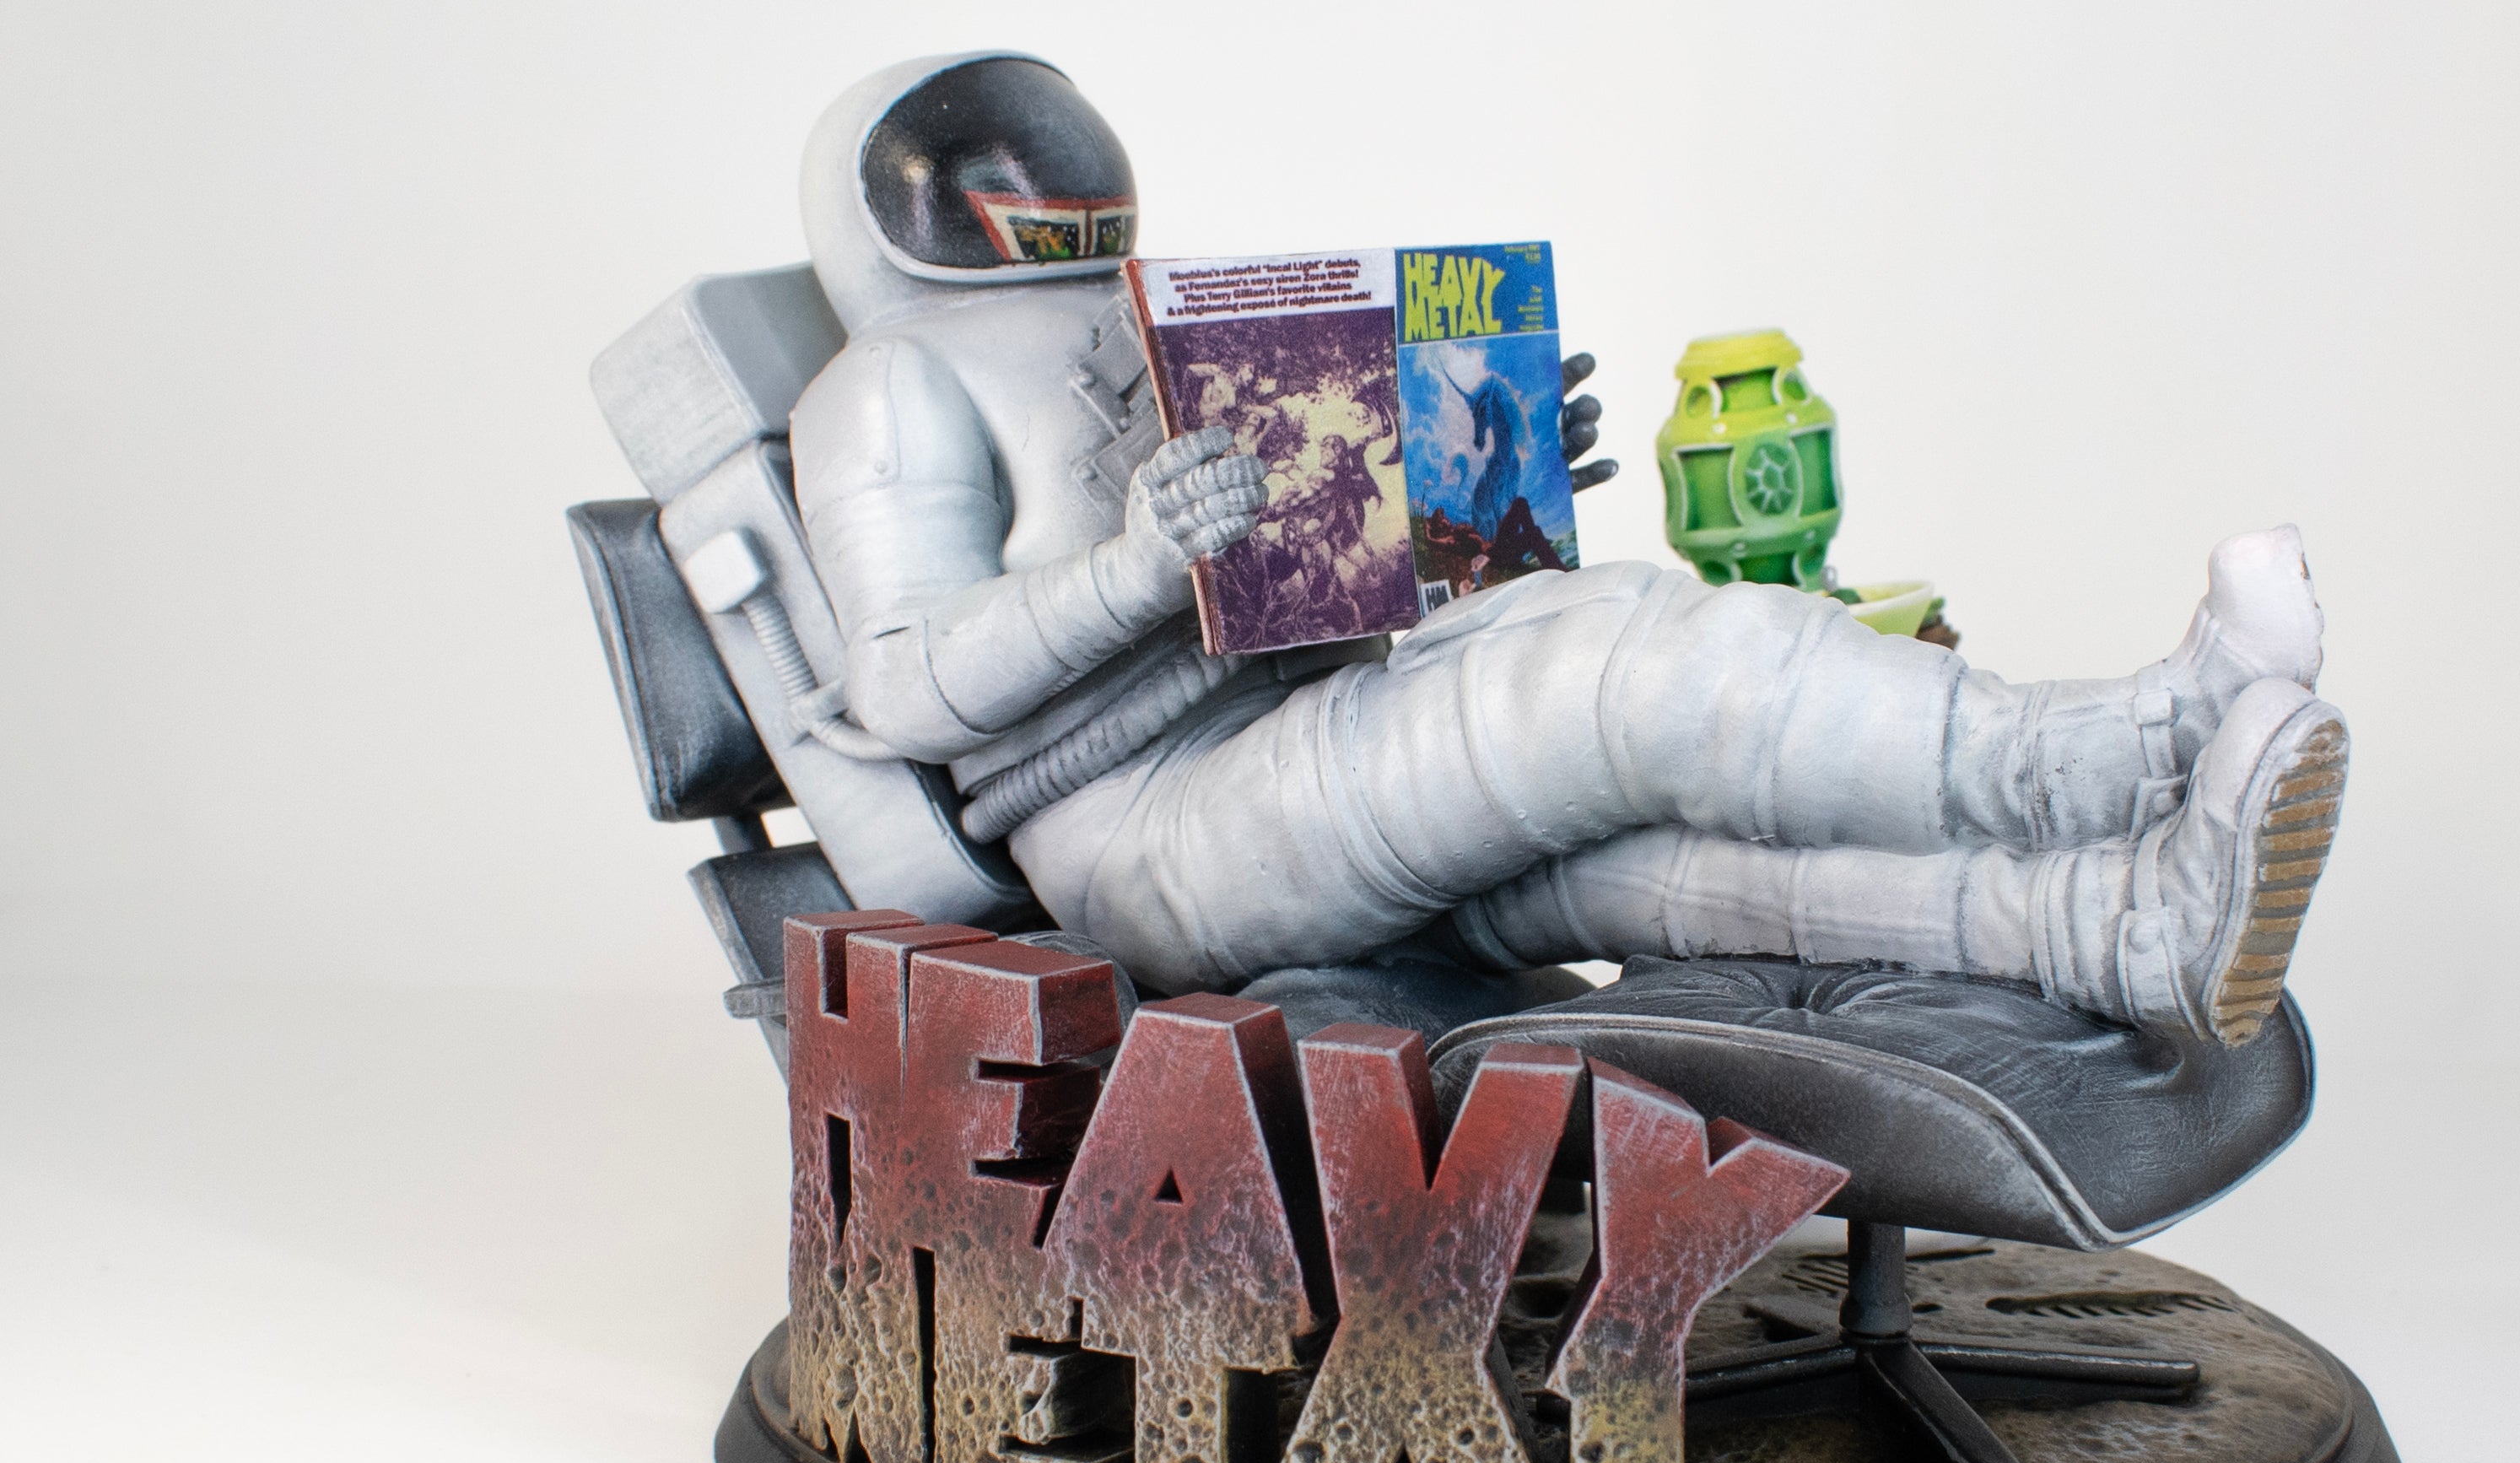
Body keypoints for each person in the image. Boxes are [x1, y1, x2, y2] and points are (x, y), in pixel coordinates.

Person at [790, 51, 2345, 1046]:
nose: (1028, 179)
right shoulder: (891, 381)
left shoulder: (1151, 311)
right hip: (1152, 836)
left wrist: (1480, 471)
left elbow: (1288, 547)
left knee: (1681, 877)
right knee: (1633, 672)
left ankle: (2130, 933)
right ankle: (2114, 753)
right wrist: (1137, 565)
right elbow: (905, 684)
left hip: (1294, 733)